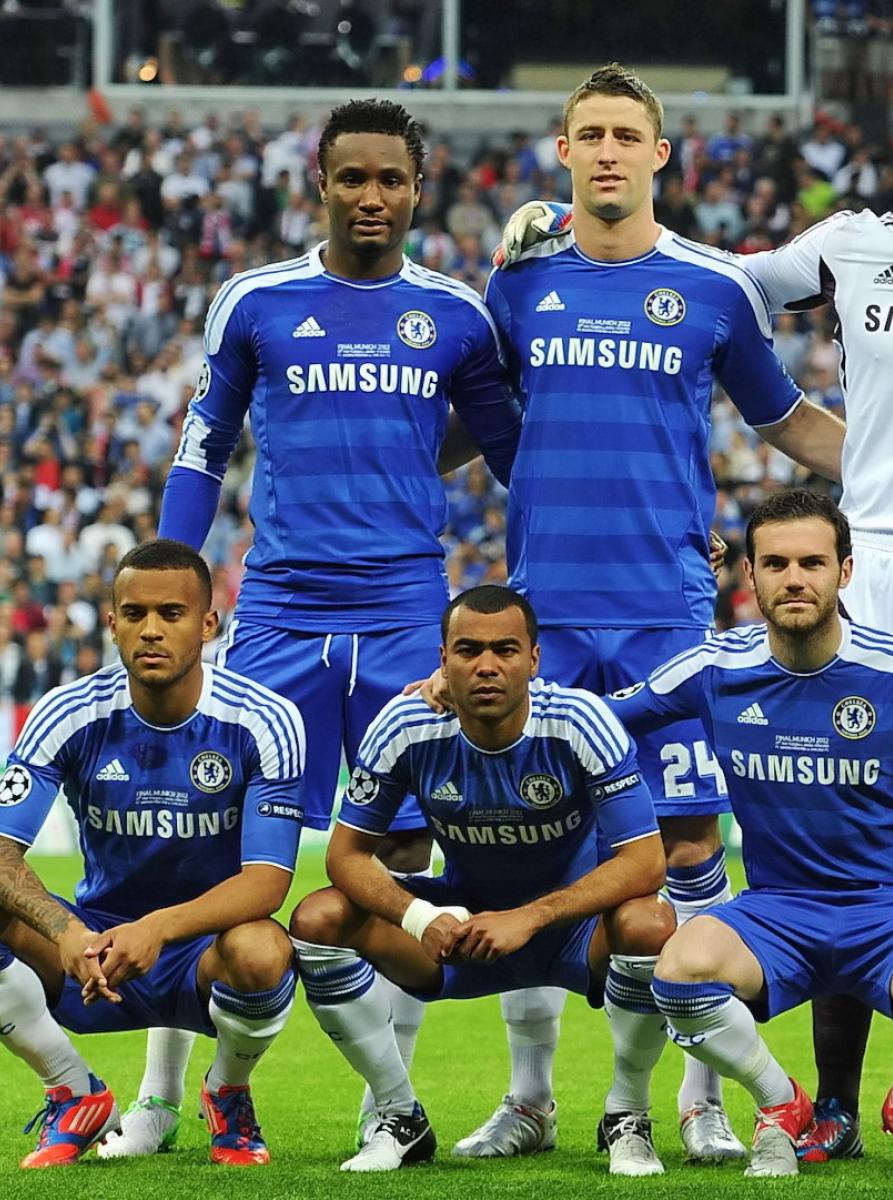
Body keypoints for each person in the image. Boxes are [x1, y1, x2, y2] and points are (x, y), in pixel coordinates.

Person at [493, 75, 893, 1165]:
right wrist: (564, 232)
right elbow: (704, 279)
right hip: (874, 559)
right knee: (851, 839)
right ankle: (838, 1105)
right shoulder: (847, 245)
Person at [481, 64, 844, 1163]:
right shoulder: (516, 286)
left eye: (624, 135)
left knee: (688, 842)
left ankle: (688, 1097)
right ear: (563, 152)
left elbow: (788, 422)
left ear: (659, 154)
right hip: (543, 611)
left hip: (666, 616)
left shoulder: (714, 286)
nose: (606, 151)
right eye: (588, 134)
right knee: (535, 848)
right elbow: (485, 426)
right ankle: (531, 1099)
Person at [153, 98, 523, 1157]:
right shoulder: (255, 301)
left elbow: (515, 456)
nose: (371, 196)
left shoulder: (456, 316)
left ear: (418, 188)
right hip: (278, 613)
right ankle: (179, 1094)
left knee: (402, 852)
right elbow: (204, 446)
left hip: (407, 614)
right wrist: (173, 579)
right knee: (214, 854)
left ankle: (387, 1105)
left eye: (390, 179)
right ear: (319, 182)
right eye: (351, 177)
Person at [607, 490, 893, 1179]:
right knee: (678, 974)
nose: (794, 579)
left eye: (812, 563)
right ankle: (782, 1102)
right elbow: (601, 715)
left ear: (844, 571)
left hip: (890, 907)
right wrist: (463, 693)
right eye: (776, 564)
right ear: (750, 574)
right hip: (776, 909)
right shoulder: (715, 667)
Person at [289, 586, 675, 1176]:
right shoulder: (406, 723)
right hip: (463, 929)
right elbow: (346, 856)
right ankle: (399, 1115)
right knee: (319, 918)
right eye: (469, 650)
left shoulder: (579, 720)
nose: (487, 666)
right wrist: (422, 917)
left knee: (650, 921)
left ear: (534, 659)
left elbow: (646, 862)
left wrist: (531, 917)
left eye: (505, 650)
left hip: (572, 933)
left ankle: (627, 1114)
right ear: (443, 660)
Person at [0, 539, 305, 1168]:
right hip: (96, 946)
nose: (152, 630)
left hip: (205, 950)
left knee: (262, 949)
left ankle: (228, 1093)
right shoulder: (67, 712)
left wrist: (158, 929)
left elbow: (268, 883)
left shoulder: (265, 719)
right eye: (135, 614)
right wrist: (65, 932)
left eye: (172, 613)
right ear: (111, 624)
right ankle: (74, 1092)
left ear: (208, 624)